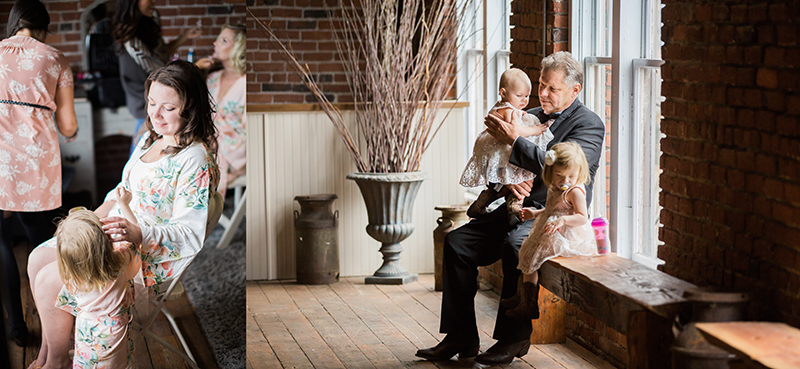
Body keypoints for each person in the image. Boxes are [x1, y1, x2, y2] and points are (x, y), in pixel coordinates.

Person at [416, 51, 605, 365]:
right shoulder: (527, 114)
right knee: (457, 243)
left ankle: (514, 339)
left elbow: (562, 165)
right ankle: (461, 335)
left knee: (515, 246)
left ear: (575, 91)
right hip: (513, 208)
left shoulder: (589, 124)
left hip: (553, 215)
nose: (542, 94)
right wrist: (505, 185)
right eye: (541, 85)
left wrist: (516, 140)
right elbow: (500, 160)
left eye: (552, 89)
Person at [27, 60, 219, 369]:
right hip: (111, 230)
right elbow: (120, 191)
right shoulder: (149, 139)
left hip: (144, 255)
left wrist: (140, 233)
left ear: (190, 109)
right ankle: (51, 355)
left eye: (167, 109)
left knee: (51, 278)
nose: (155, 115)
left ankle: (57, 361)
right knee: (38, 257)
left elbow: (191, 232)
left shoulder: (194, 159)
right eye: (152, 103)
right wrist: (87, 221)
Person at [0, 0, 78, 348]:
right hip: (35, 161)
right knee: (43, 242)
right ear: (43, 26)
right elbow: (68, 125)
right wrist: (71, 133)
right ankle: (55, 325)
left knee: (0, 240)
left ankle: (16, 328)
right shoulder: (55, 58)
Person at [502, 142, 595, 319]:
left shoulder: (575, 192)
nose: (565, 181)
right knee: (525, 252)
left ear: (579, 173)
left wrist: (563, 220)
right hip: (550, 229)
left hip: (566, 235)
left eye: (571, 176)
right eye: (559, 176)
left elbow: (582, 216)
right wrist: (534, 213)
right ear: (550, 172)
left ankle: (529, 304)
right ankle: (523, 296)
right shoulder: (555, 188)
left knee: (532, 257)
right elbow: (552, 209)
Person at [460, 68, 552, 223]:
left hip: (498, 153)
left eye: (527, 96)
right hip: (505, 153)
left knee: (501, 184)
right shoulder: (508, 110)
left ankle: (485, 199)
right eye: (519, 95)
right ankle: (514, 207)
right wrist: (534, 130)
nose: (524, 100)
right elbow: (515, 131)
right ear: (503, 93)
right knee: (520, 175)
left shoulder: (502, 107)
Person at [112, 0, 202, 156]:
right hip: (145, 103)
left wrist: (184, 37)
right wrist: (195, 68)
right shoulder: (131, 40)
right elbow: (159, 73)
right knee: (142, 151)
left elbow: (161, 55)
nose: (153, 1)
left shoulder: (146, 25)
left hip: (153, 100)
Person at [55, 209, 141, 369]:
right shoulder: (121, 261)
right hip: (113, 337)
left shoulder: (72, 275)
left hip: (86, 332)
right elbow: (135, 237)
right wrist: (124, 204)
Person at [195, 24, 246, 195]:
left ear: (238, 48)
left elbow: (249, 130)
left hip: (236, 152)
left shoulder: (246, 84)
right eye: (218, 39)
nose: (215, 43)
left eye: (223, 40)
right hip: (210, 145)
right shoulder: (212, 78)